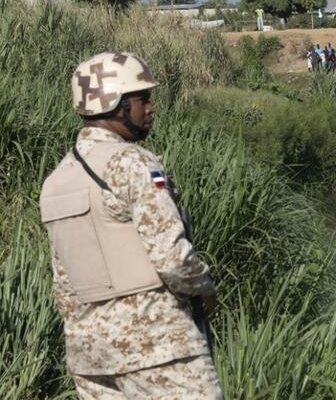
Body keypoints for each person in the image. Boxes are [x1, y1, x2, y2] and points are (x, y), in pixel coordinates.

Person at [39, 52, 221, 399]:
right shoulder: (134, 163)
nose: (150, 109)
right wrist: (205, 287)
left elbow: (63, 286)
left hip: (89, 354)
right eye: (142, 100)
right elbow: (172, 260)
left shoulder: (57, 180)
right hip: (157, 345)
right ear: (115, 104)